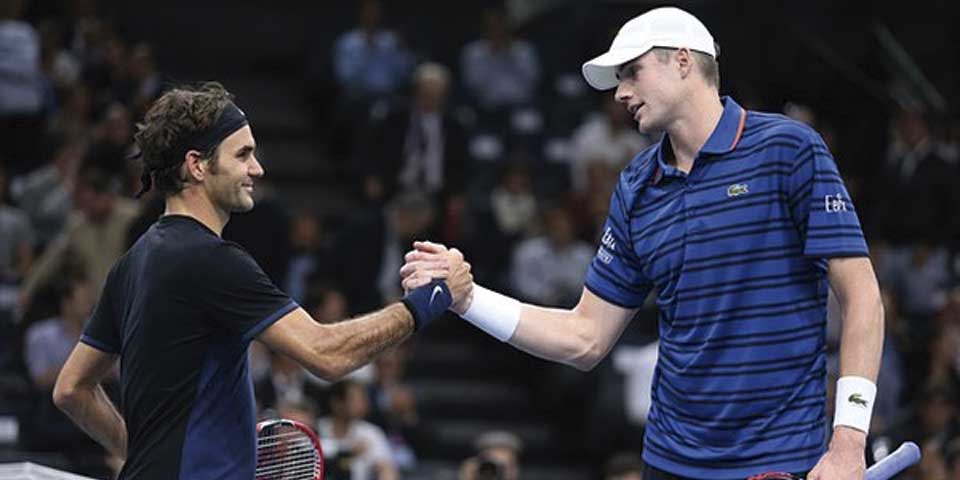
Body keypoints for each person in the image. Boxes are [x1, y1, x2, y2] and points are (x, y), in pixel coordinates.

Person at [402, 7, 883, 479]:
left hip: (781, 460)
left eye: (631, 72)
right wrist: (467, 298)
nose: (621, 93)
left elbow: (861, 298)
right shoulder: (636, 185)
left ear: (682, 60)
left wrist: (847, 442)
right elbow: (584, 337)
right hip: (669, 463)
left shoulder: (790, 149)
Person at [51, 82, 473, 480]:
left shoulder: (132, 262)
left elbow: (71, 390)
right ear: (197, 166)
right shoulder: (210, 260)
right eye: (242, 155)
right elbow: (327, 354)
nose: (257, 167)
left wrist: (138, 452)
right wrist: (431, 298)